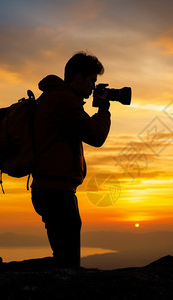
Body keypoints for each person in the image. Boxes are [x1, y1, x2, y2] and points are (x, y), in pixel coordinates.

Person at [31, 51, 111, 268]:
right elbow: (95, 135)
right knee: (67, 265)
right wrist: (104, 110)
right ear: (78, 77)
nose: (93, 88)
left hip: (52, 189)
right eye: (92, 81)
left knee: (64, 261)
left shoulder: (56, 98)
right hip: (56, 192)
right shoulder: (63, 100)